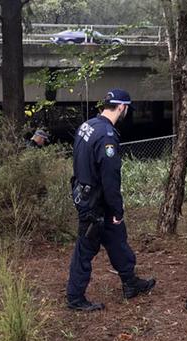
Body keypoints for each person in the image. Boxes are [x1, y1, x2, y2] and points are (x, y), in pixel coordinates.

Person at [66, 88, 156, 311]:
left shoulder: (87, 126)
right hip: (96, 203)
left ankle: (130, 283)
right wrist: (117, 210)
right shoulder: (107, 136)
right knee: (85, 249)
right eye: (127, 109)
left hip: (87, 195)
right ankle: (75, 297)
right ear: (121, 107)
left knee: (117, 238)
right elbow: (110, 179)